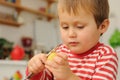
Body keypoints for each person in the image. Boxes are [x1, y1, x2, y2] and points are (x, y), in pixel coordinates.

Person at [26, 0, 118, 80]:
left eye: (79, 27)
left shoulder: (106, 55)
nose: (71, 34)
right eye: (65, 27)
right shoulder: (60, 51)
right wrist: (36, 71)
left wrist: (69, 77)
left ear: (102, 26)